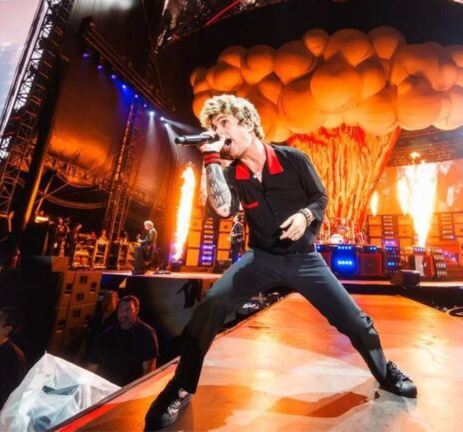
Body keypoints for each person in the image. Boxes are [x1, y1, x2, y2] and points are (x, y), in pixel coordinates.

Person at [145, 95, 416, 430]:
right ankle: (181, 386)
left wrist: (305, 216)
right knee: (210, 306)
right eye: (212, 128)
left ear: (246, 123)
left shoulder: (294, 159)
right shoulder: (231, 171)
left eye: (223, 124)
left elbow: (320, 198)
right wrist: (211, 158)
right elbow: (224, 208)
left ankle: (385, 372)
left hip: (304, 260)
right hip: (261, 259)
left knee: (355, 321)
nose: (217, 131)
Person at [87, 295, 158, 386]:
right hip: (104, 388)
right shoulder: (107, 334)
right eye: (120, 309)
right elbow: (93, 364)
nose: (123, 312)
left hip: (127, 391)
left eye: (128, 309)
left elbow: (149, 371)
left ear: (136, 311)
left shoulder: (146, 334)